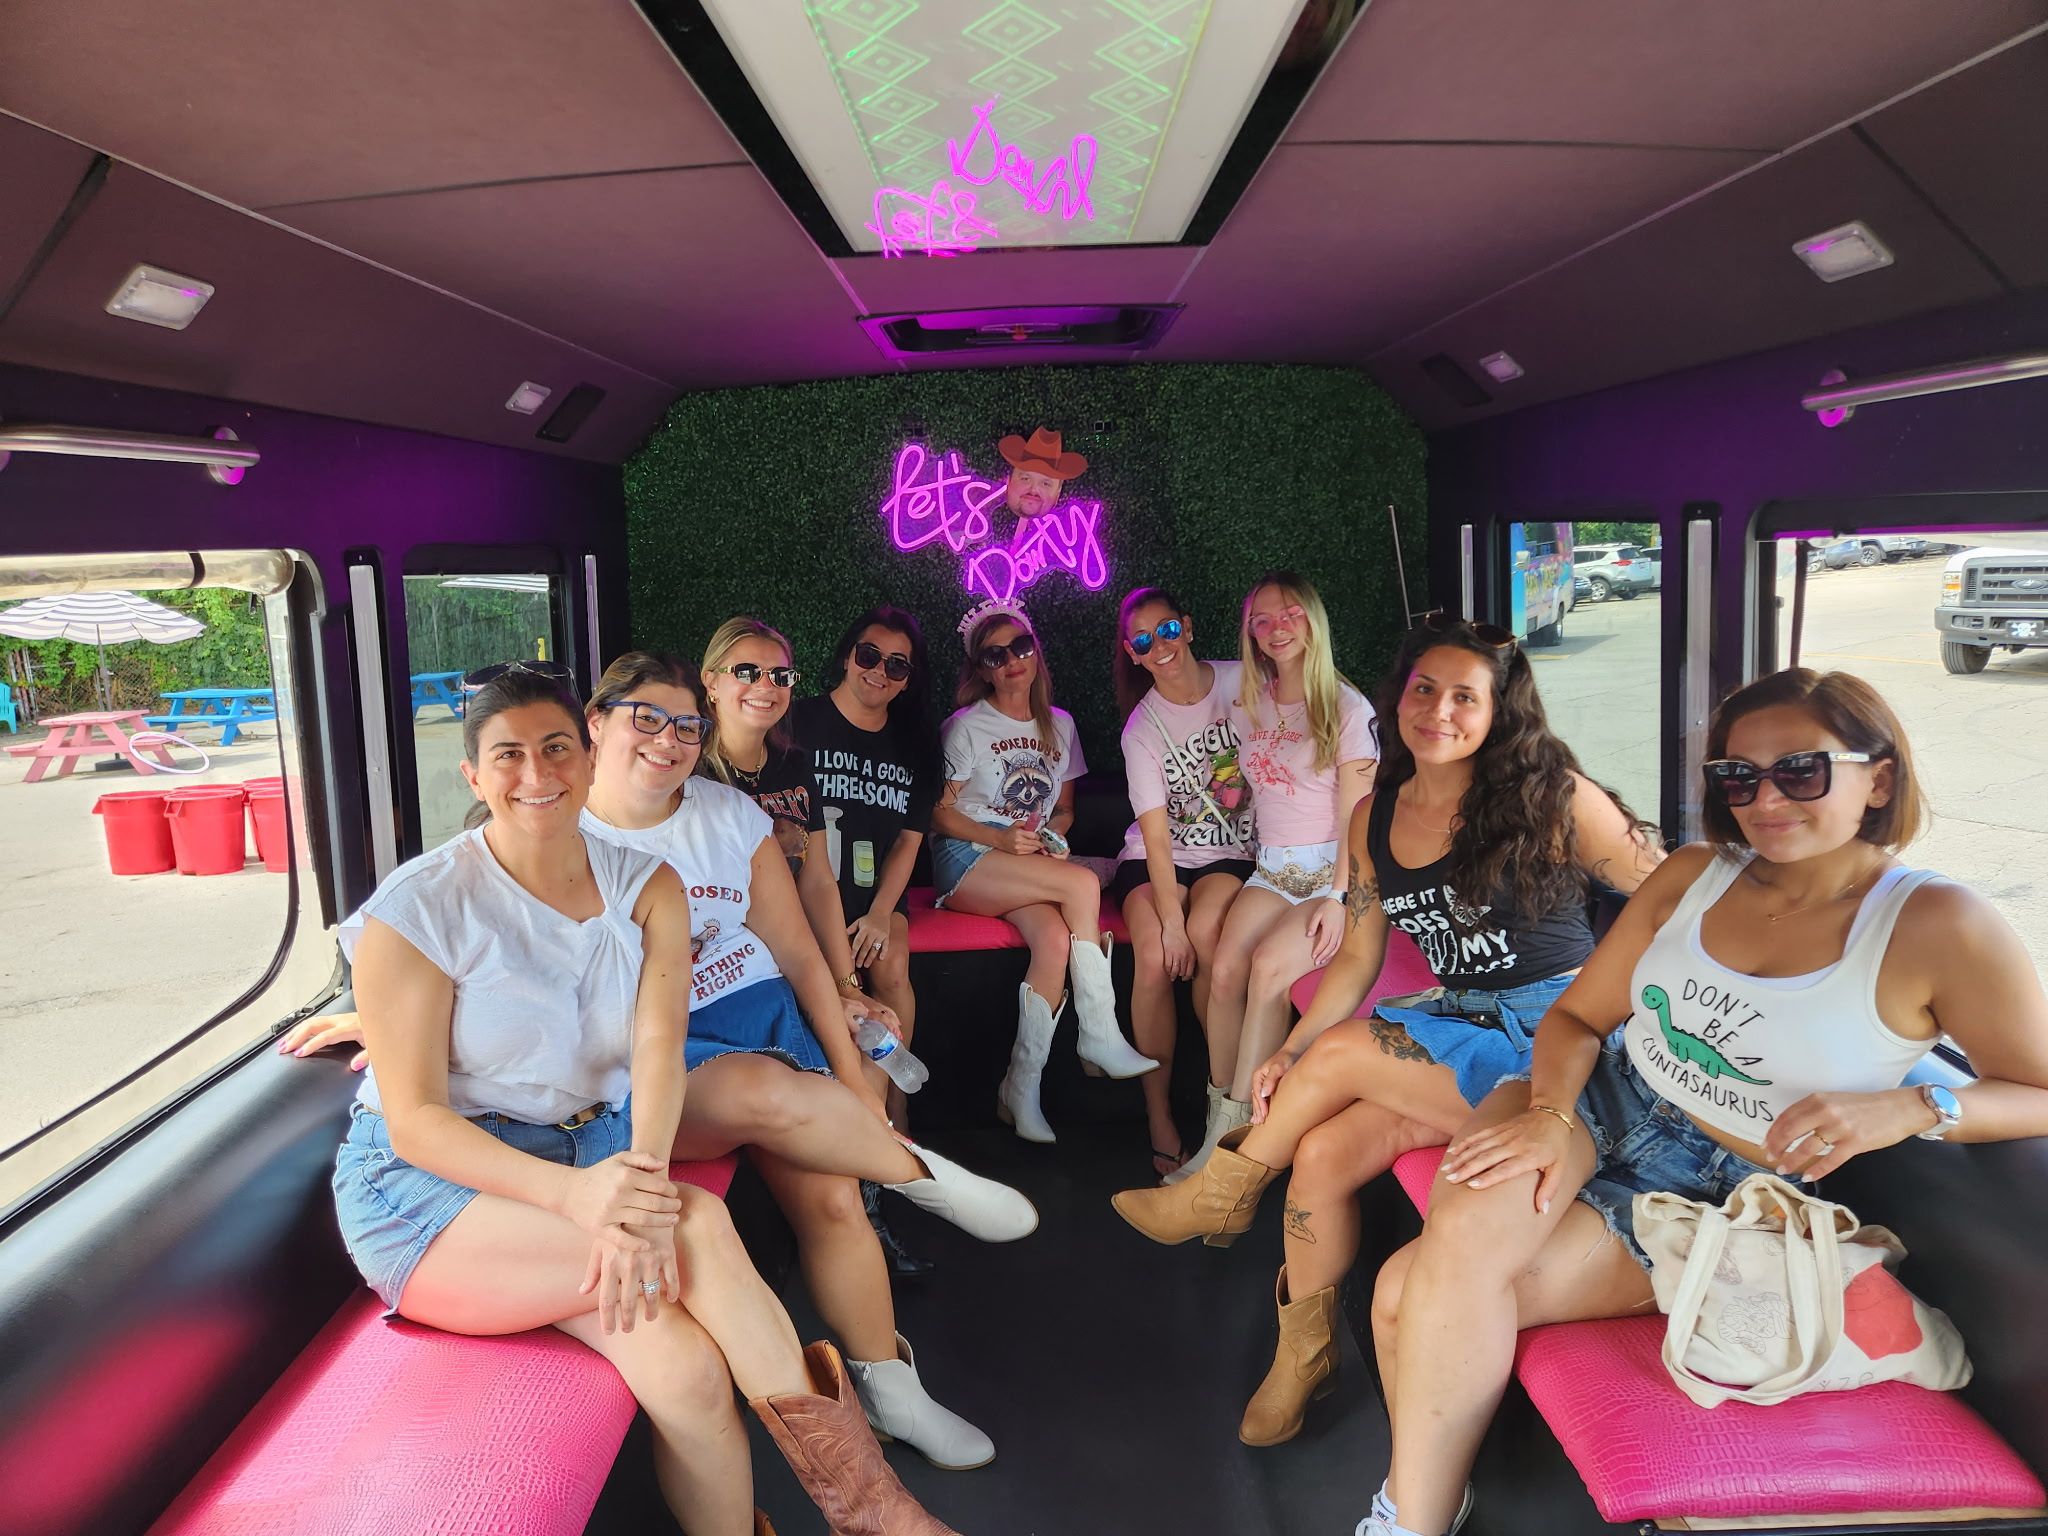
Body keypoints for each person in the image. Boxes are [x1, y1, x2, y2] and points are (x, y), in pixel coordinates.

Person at [296, 653, 1033, 1475]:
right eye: (645, 718)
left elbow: (795, 948)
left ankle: (891, 1386)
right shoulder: (544, 826)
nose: (667, 739)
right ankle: (914, 1175)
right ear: (598, 727)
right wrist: (377, 1013)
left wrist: (850, 1039)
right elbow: (483, 947)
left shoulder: (714, 823)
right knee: (759, 1101)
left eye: (685, 726)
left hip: (728, 1025)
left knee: (830, 1196)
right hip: (658, 1053)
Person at [1361, 668, 2048, 1536]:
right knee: (1454, 1249)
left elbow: (2037, 1090)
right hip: (1595, 1097)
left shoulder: (1940, 925)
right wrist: (1550, 1115)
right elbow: (1576, 1017)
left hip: (1720, 1186)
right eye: (1737, 777)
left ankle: (1412, 1509)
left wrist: (1915, 1107)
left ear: (1878, 779)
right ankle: (1416, 1519)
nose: (1766, 799)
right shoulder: (1694, 875)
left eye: (1800, 770)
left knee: (1405, 1287)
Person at [1111, 613, 1661, 1450]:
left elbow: (1668, 896)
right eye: (1424, 689)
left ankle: (1216, 1194)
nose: (1440, 710)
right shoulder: (1374, 816)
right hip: (1463, 1019)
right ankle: (1305, 1356)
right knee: (1324, 1152)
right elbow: (1360, 956)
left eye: (1465, 697)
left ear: (1498, 711)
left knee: (1339, 1056)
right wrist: (1288, 1048)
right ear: (1397, 698)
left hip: (1556, 1040)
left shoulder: (1553, 796)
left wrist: (1651, 1012)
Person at [708, 615, 930, 1280]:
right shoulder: (691, 769)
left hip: (792, 951)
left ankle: (873, 1206)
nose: (766, 685)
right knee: (847, 1056)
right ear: (711, 681)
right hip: (729, 970)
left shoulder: (793, 761)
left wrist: (844, 982)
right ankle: (871, 1187)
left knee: (874, 1040)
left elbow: (819, 881)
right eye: (747, 672)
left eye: (779, 674)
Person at [1171, 572, 1377, 1183]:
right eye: (1262, 619)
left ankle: (1235, 1154)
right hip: (1273, 868)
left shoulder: (1347, 707)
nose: (1276, 627)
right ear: (1251, 633)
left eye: (1289, 614)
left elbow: (1359, 818)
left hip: (1331, 875)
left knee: (1265, 968)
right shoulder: (1249, 701)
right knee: (1222, 969)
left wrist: (1339, 896)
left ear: (1313, 619)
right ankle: (1220, 1124)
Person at [929, 597, 1158, 1143]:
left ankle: (1020, 1085)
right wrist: (999, 837)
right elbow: (938, 813)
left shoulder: (1061, 725)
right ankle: (1099, 1032)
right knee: (1082, 882)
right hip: (967, 858)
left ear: (1036, 651)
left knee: (1054, 940)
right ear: (980, 668)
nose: (1012, 661)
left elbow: (1065, 807)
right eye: (995, 655)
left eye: (1021, 646)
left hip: (1025, 861)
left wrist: (1054, 834)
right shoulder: (965, 727)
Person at [1107, 585, 1257, 1178]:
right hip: (1155, 857)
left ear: (1187, 627)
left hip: (1229, 851)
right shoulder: (1141, 728)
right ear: (1133, 653)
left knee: (1209, 934)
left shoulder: (1241, 682)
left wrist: (1185, 927)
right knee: (1152, 955)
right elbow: (1156, 838)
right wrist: (1169, 923)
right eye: (1144, 640)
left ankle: (1224, 1103)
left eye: (1167, 630)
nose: (1160, 646)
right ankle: (1159, 1116)